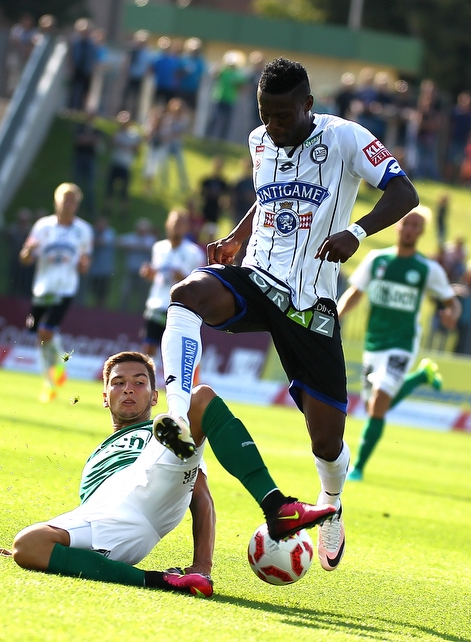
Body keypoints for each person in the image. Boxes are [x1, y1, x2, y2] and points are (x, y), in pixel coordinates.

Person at [154, 57, 418, 572]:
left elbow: (404, 192)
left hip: (309, 304)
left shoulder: (345, 138)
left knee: (327, 438)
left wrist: (357, 232)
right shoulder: (258, 141)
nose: (274, 127)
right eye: (266, 115)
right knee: (187, 293)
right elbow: (266, 198)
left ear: (308, 106)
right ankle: (178, 412)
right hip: (256, 278)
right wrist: (237, 236)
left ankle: (332, 501)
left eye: (284, 116)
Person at [0, 351, 335, 598]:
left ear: (154, 395)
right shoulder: (96, 455)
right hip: (110, 519)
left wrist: (203, 565)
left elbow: (202, 499)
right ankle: (163, 581)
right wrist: (53, 557)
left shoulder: (150, 434)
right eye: (119, 383)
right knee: (27, 543)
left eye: (139, 383)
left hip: (155, 478)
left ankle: (274, 504)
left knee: (197, 399)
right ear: (105, 397)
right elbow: (85, 517)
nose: (129, 388)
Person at [336, 207, 460, 481]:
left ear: (422, 231)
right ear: (397, 225)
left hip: (402, 343)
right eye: (406, 222)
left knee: (380, 401)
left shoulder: (427, 268)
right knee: (374, 408)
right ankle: (420, 377)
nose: (409, 228)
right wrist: (336, 316)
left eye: (416, 225)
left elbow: (453, 302)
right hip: (374, 342)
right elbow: (355, 294)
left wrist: (451, 316)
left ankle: (357, 468)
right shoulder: (376, 260)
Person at [20, 183, 94, 403]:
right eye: (65, 199)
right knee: (38, 336)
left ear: (77, 204)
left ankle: (60, 368)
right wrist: (28, 251)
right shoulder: (43, 226)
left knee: (46, 330)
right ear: (57, 201)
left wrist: (83, 264)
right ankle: (49, 382)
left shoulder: (83, 230)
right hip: (42, 287)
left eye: (73, 200)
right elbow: (25, 258)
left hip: (65, 288)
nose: (68, 203)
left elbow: (85, 265)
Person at [139, 209, 206, 357]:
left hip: (178, 307)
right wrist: (148, 273)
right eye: (175, 223)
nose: (177, 226)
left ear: (187, 227)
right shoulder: (159, 247)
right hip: (157, 303)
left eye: (181, 223)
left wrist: (182, 277)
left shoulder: (194, 253)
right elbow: (155, 274)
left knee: (173, 351)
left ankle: (170, 379)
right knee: (149, 347)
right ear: (167, 224)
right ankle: (150, 379)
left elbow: (200, 284)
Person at [87, 217, 116, 307]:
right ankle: (95, 304)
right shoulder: (92, 231)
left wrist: (92, 242)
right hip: (94, 267)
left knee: (104, 289)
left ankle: (102, 305)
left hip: (106, 267)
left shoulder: (110, 232)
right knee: (94, 287)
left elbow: (102, 242)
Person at [199, 156, 229, 241]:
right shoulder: (207, 181)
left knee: (212, 235)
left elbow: (226, 197)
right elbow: (200, 193)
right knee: (202, 235)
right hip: (205, 210)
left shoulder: (223, 183)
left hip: (215, 212)